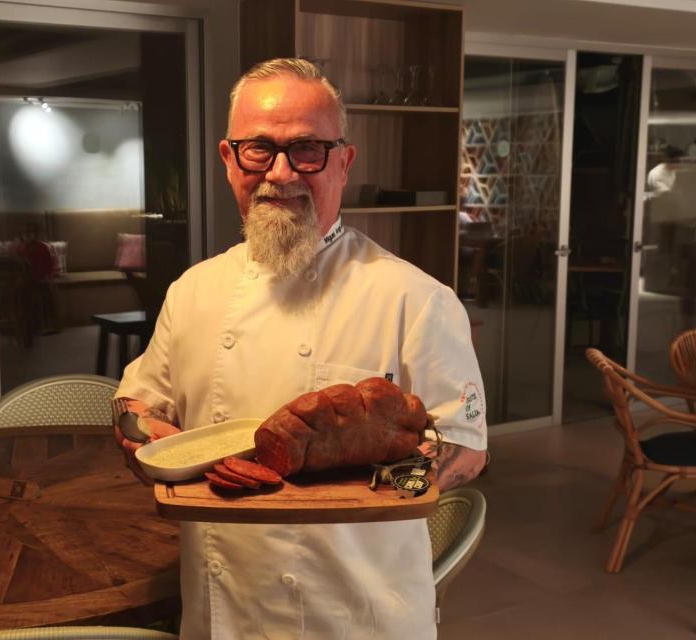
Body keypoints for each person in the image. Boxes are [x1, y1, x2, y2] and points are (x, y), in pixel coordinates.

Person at [113, 58, 488, 639]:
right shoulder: (192, 291)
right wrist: (141, 437)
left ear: (344, 162)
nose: (281, 173)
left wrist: (364, 476)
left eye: (307, 149)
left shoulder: (416, 298)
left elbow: (465, 449)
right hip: (219, 609)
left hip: (356, 617)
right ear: (229, 159)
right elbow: (138, 402)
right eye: (258, 149)